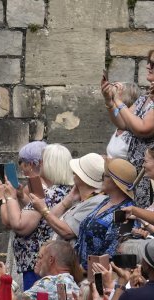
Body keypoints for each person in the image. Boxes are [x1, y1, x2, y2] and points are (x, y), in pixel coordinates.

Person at [0, 142, 73, 290]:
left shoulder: (47, 194)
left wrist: (8, 197)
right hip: (52, 260)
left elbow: (18, 224)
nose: (40, 164)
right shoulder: (66, 191)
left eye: (43, 161)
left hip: (36, 263)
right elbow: (37, 214)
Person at [104, 56, 154, 208]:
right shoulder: (145, 98)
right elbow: (123, 123)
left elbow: (142, 129)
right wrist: (109, 101)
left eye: (153, 63)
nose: (148, 66)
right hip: (138, 172)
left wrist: (118, 101)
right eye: (149, 62)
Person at [75, 158, 137, 268]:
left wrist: (88, 274)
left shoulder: (125, 212)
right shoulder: (106, 201)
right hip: (82, 272)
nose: (101, 178)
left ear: (115, 183)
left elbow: (114, 253)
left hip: (98, 277)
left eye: (105, 175)